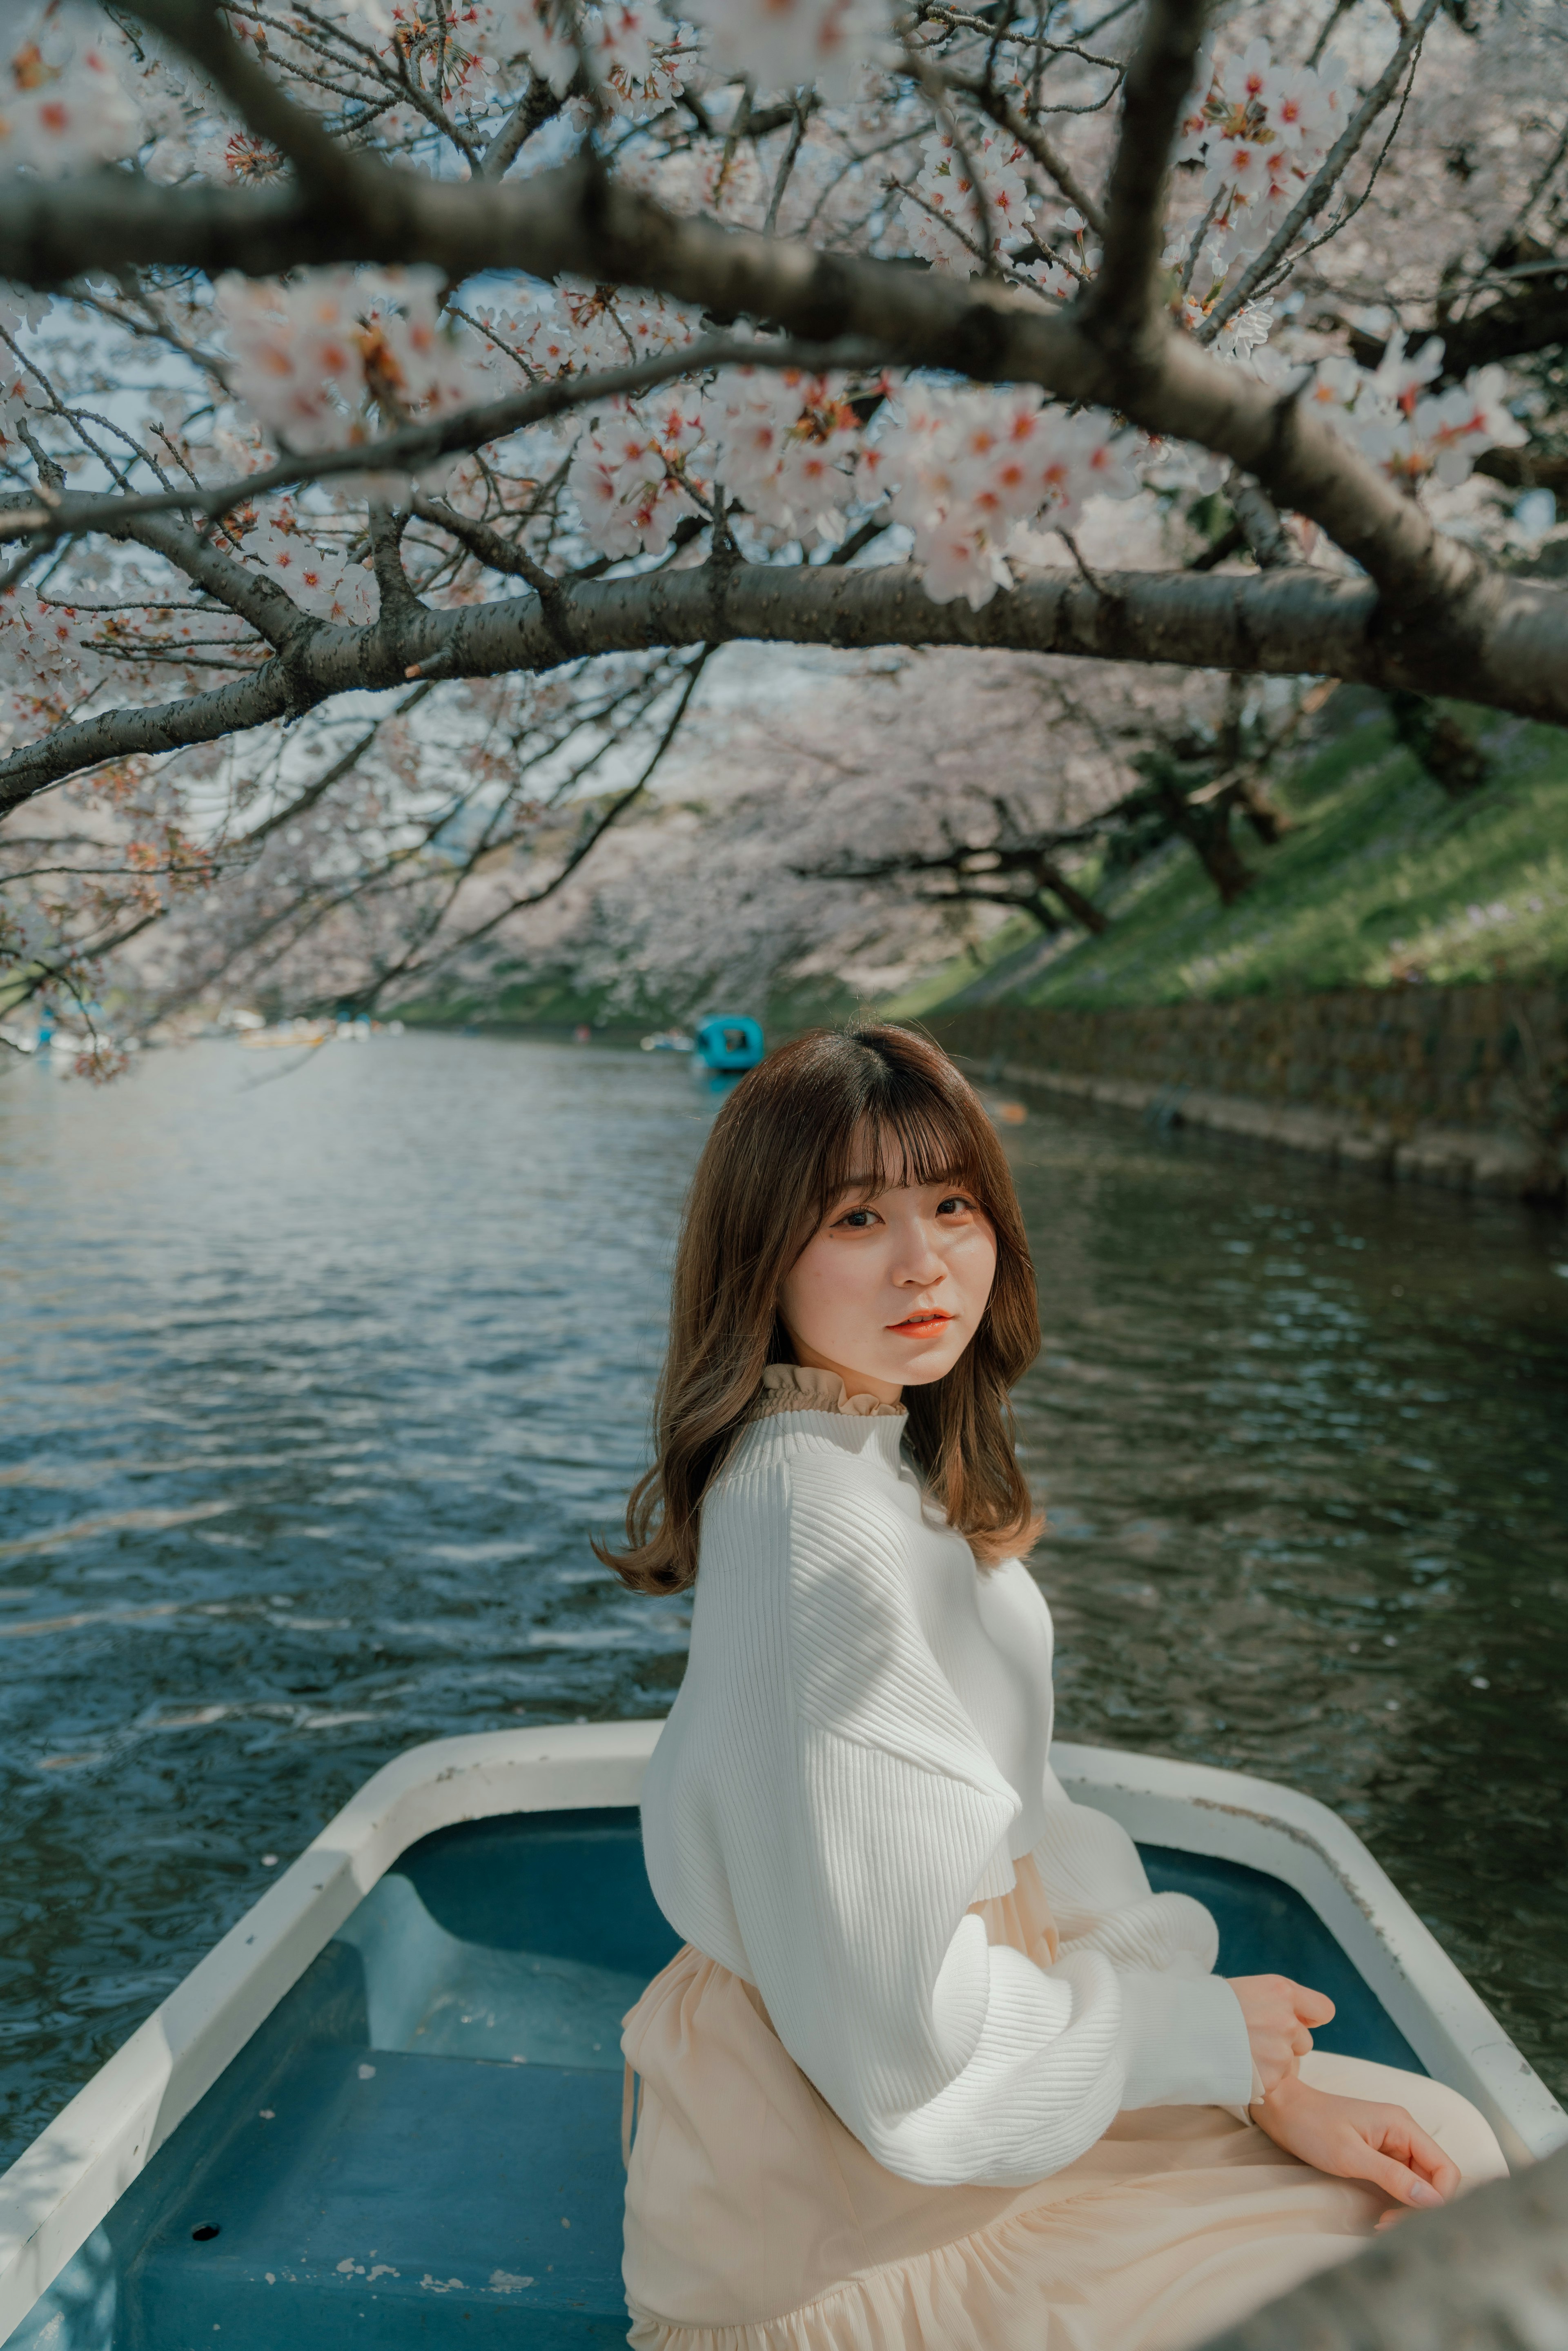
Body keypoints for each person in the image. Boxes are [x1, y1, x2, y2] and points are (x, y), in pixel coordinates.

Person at [601, 1024, 1506, 2351]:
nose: (925, 1263)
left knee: (1447, 2156)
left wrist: (1259, 2087)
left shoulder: (875, 1455)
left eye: (952, 1205)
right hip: (853, 2203)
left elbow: (1028, 1824)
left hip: (998, 2096)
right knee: (1443, 2269)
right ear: (763, 1256)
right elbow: (901, 2053)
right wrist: (1198, 2040)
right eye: (858, 1217)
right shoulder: (815, 1522)